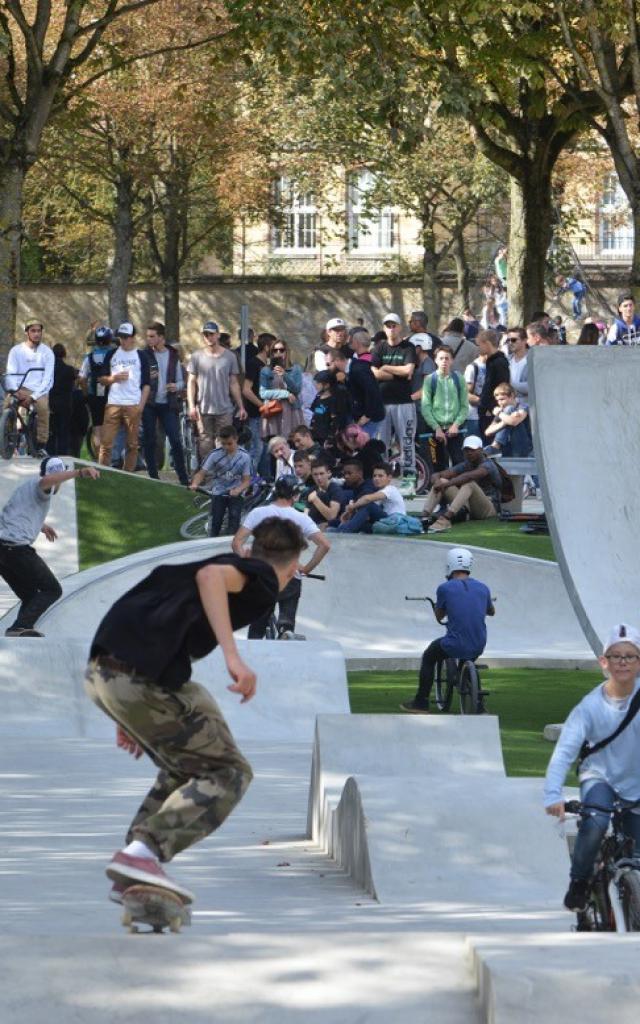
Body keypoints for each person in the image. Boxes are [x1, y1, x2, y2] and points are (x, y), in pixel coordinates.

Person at [85, 516, 306, 904]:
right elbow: (211, 578)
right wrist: (234, 658)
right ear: (293, 566)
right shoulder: (262, 578)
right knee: (229, 772)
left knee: (188, 759)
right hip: (137, 679)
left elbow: (147, 605)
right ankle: (144, 853)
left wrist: (127, 713)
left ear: (251, 547)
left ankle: (133, 864)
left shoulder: (214, 566)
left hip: (106, 672)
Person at [544, 624, 640, 913]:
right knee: (595, 823)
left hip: (636, 783)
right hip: (599, 777)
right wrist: (552, 794)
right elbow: (563, 752)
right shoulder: (589, 707)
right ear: (604, 662)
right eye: (616, 656)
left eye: (630, 656)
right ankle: (580, 882)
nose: (623, 662)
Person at [1, 457, 100, 637]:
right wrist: (80, 472)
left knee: (31, 596)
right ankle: (19, 626)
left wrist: (42, 526)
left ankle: (19, 630)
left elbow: (14, 514)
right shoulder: (43, 486)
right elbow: (47, 481)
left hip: (3, 552)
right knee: (52, 589)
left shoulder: (26, 488)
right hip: (16, 550)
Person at [233, 476, 330, 638]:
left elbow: (236, 543)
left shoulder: (258, 513)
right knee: (287, 618)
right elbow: (324, 545)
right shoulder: (301, 518)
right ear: (295, 495)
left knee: (257, 626)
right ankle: (286, 630)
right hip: (290, 576)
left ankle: (255, 648)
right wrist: (306, 569)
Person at [400, 547, 494, 713]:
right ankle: (478, 704)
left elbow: (439, 617)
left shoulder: (445, 588)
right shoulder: (483, 588)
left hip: (454, 643)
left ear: (449, 566)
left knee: (429, 656)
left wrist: (440, 606)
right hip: (479, 643)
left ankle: (421, 702)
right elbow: (491, 612)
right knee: (468, 658)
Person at [187, 320, 247, 461]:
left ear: (218, 335)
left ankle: (223, 475)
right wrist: (191, 406)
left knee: (225, 442)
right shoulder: (196, 356)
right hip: (203, 408)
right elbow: (191, 382)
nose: (209, 337)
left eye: (211, 334)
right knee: (205, 443)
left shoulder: (230, 357)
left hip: (224, 408)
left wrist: (241, 406)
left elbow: (234, 383)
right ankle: (208, 477)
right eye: (206, 334)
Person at [97, 322, 152, 473]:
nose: (123, 340)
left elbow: (147, 384)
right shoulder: (111, 354)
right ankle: (101, 474)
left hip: (133, 404)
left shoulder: (141, 356)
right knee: (106, 443)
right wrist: (113, 378)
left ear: (133, 338)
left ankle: (128, 475)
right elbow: (101, 379)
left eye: (126, 337)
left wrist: (140, 406)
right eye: (120, 337)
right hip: (113, 403)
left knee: (132, 445)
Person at [370, 313, 417, 480]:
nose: (391, 329)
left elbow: (408, 370)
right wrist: (397, 373)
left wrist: (386, 367)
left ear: (400, 327)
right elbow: (374, 373)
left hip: (403, 402)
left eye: (394, 325)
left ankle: (409, 478)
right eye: (388, 326)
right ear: (384, 328)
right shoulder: (378, 349)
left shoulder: (408, 348)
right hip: (382, 404)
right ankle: (382, 478)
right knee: (381, 444)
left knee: (406, 441)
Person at [422, 435, 502, 533]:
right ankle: (424, 516)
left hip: (489, 509)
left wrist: (445, 485)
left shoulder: (488, 465)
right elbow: (437, 475)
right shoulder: (466, 464)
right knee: (442, 481)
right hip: (469, 506)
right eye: (466, 450)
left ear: (481, 450)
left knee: (469, 484)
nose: (469, 453)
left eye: (472, 449)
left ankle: (446, 519)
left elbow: (468, 477)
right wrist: (438, 481)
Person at [142, 322, 189, 486]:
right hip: (149, 402)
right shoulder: (143, 355)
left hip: (168, 404)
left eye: (152, 336)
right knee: (150, 439)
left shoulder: (173, 355)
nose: (148, 339)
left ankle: (183, 477)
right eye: (147, 336)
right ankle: (153, 476)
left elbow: (182, 382)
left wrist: (176, 386)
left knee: (175, 439)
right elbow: (137, 379)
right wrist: (147, 376)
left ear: (161, 337)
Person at [190, 425, 252, 537]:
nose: (226, 447)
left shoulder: (245, 457)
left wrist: (238, 490)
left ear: (236, 439)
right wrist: (195, 483)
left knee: (234, 522)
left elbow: (247, 481)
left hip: (236, 494)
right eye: (223, 444)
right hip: (219, 492)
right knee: (215, 523)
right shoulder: (214, 455)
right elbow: (201, 473)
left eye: (229, 443)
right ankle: (211, 544)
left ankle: (230, 547)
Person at [4, 319, 55, 453]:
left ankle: (41, 445)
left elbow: (48, 379)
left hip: (39, 390)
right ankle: (7, 437)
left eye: (39, 331)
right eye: (33, 331)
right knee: (6, 404)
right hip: (20, 388)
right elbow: (10, 373)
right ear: (27, 332)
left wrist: (33, 396)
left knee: (43, 409)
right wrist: (15, 391)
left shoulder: (47, 352)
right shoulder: (16, 351)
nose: (37, 334)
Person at [420, 345, 470, 471]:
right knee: (437, 465)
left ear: (452, 360)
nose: (444, 361)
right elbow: (426, 407)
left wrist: (456, 425)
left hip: (455, 430)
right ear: (435, 360)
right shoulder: (430, 379)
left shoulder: (459, 378)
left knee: (459, 463)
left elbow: (464, 406)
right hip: (435, 430)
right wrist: (436, 427)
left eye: (447, 358)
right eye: (441, 358)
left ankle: (458, 489)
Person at [325, 346, 385, 437]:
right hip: (361, 416)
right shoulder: (350, 371)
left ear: (337, 360)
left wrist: (367, 416)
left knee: (367, 446)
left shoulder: (358, 369)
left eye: (329, 364)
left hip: (372, 417)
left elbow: (372, 391)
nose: (327, 368)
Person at [335, 461, 405, 534]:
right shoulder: (378, 491)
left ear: (389, 478)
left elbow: (367, 499)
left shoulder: (391, 489)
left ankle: (343, 531)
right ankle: (338, 529)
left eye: (380, 476)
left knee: (368, 505)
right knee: (360, 524)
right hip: (384, 523)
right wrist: (351, 513)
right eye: (374, 476)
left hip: (395, 522)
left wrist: (352, 507)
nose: (376, 478)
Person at [242, 332, 275, 477]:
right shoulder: (254, 363)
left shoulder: (266, 365)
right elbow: (246, 390)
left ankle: (263, 479)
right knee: (256, 448)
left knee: (264, 448)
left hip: (265, 414)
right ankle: (247, 480)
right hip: (256, 413)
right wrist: (262, 405)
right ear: (267, 347)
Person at [258, 338, 304, 443]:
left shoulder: (295, 369)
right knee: (274, 445)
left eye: (281, 350)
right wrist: (285, 393)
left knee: (293, 443)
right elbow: (263, 393)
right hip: (274, 411)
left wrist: (285, 375)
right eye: (275, 350)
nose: (278, 353)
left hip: (292, 411)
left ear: (287, 352)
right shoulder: (266, 370)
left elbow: (297, 389)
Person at [78, 326, 115, 453]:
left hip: (95, 396)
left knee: (97, 427)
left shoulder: (89, 357)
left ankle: (99, 458)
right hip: (113, 396)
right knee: (112, 426)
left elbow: (82, 378)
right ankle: (111, 457)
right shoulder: (115, 355)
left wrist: (86, 393)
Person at [476, 329, 510, 438]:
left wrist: (491, 407)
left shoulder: (499, 363)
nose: (478, 348)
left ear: (487, 343)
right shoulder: (492, 362)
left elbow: (501, 387)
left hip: (493, 412)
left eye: (479, 345)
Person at [483, 383, 532, 457]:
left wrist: (500, 414)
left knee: (510, 409)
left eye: (502, 399)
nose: (500, 403)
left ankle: (495, 446)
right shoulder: (503, 412)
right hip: (508, 447)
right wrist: (504, 422)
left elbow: (514, 422)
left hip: (523, 447)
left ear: (512, 396)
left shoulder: (523, 407)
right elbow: (488, 432)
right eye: (498, 400)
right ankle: (496, 447)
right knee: (508, 411)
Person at [47, 343, 76, 456]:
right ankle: (62, 454)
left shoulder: (49, 370)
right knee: (63, 431)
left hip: (52, 403)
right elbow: (76, 380)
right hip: (65, 404)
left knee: (51, 431)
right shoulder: (69, 370)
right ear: (64, 354)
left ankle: (50, 453)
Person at [309, 370, 351, 445]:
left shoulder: (333, 400)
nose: (316, 385)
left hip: (325, 437)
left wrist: (330, 438)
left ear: (327, 385)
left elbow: (335, 421)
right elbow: (313, 412)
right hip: (315, 434)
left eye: (318, 383)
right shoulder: (318, 397)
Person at [305, 459, 346, 527]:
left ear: (329, 473)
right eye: (315, 474)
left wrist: (315, 499)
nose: (319, 478)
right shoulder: (311, 490)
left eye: (321, 473)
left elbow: (331, 517)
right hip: (314, 526)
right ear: (312, 475)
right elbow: (306, 515)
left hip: (333, 527)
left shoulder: (335, 489)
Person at [505, 327, 529, 398]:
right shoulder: (506, 360)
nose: (510, 343)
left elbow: (533, 387)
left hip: (527, 405)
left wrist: (509, 384)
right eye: (508, 340)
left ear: (524, 340)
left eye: (513, 340)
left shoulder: (533, 360)